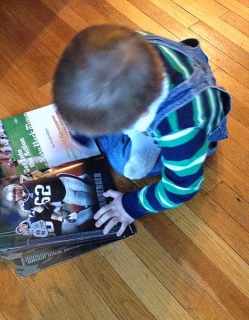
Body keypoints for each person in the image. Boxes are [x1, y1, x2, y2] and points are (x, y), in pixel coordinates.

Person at [53, 24, 231, 237]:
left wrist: (131, 206)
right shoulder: (130, 46)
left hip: (192, 131)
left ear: (142, 116)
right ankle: (140, 136)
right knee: (85, 119)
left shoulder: (182, 132)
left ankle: (148, 140)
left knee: (122, 164)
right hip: (170, 88)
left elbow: (181, 188)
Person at [2, 173, 97, 214]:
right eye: (14, 197)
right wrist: (59, 216)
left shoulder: (25, 179)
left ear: (15, 186)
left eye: (14, 191)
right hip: (65, 197)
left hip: (63, 182)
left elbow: (41, 173)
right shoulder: (25, 206)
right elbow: (43, 211)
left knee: (90, 188)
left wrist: (33, 176)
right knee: (90, 201)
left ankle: (87, 177)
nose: (17, 195)